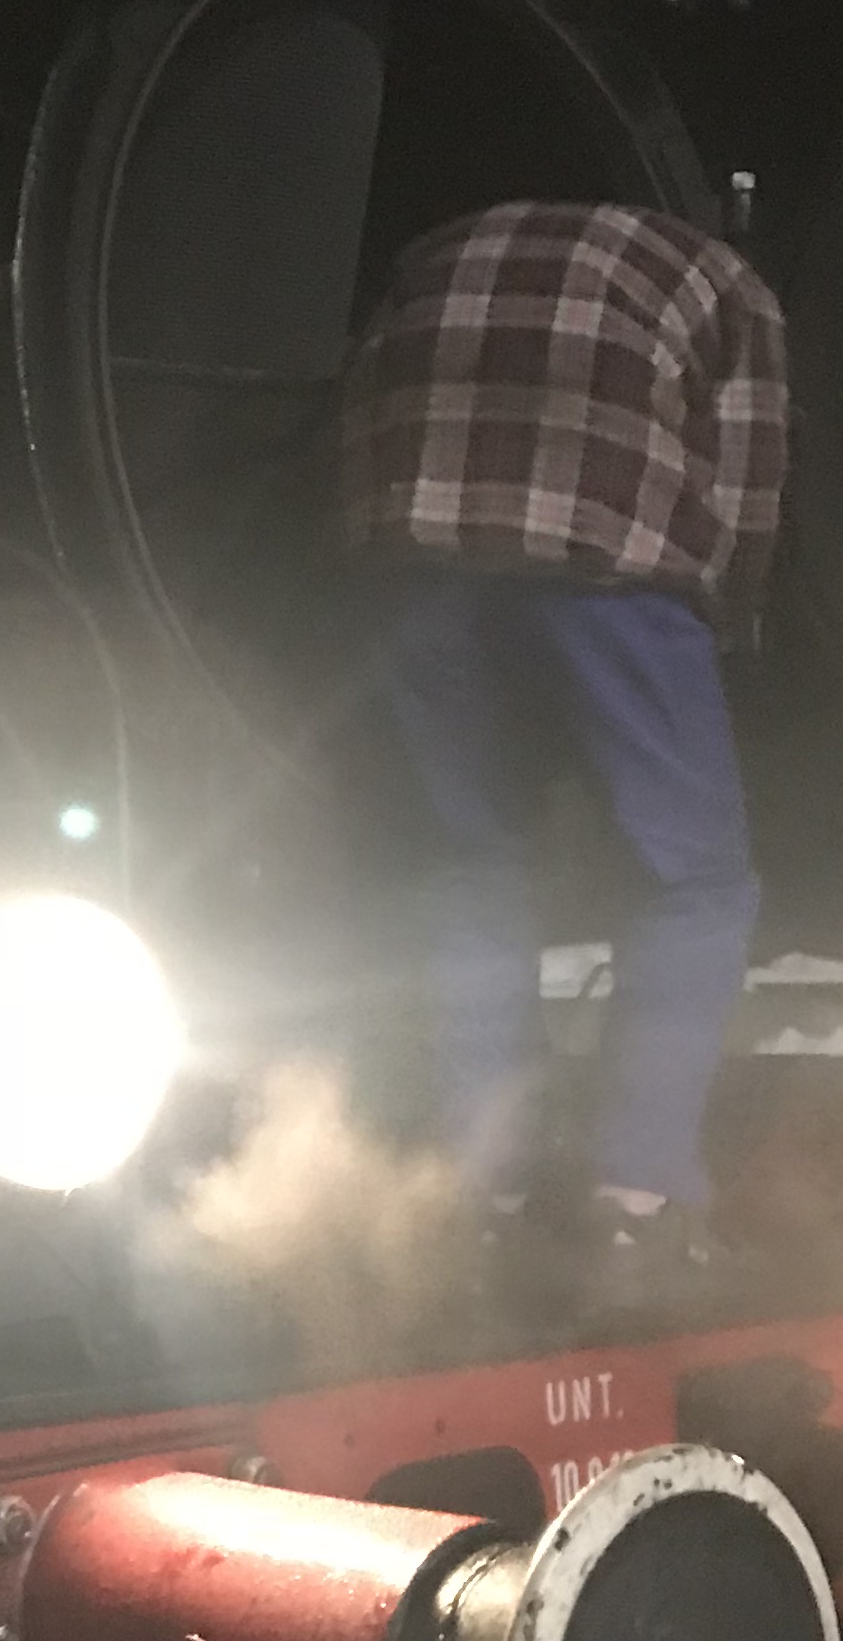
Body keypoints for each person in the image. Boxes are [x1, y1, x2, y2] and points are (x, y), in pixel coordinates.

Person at [336, 197, 788, 1284]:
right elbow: (743, 494)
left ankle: (476, 1203)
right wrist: (717, 637)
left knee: (472, 865)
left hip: (407, 554)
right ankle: (636, 1202)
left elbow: (356, 405)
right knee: (696, 881)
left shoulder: (439, 242)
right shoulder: (731, 288)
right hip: (605, 558)